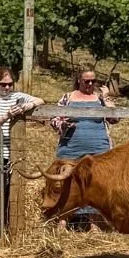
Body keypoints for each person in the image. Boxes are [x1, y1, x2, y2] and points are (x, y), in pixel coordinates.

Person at [49, 67, 119, 232]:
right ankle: (63, 220)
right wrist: (63, 124)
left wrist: (107, 97)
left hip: (98, 147)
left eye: (93, 81)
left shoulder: (100, 98)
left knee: (95, 184)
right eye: (86, 81)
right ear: (79, 80)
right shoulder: (67, 97)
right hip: (70, 147)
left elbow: (115, 118)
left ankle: (93, 222)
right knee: (67, 183)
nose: (90, 84)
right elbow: (53, 118)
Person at [0, 67, 42, 236]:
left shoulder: (17, 96)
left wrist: (28, 105)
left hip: (10, 153)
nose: (7, 88)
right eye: (3, 84)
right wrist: (8, 114)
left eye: (10, 84)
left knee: (8, 191)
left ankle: (6, 226)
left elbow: (40, 100)